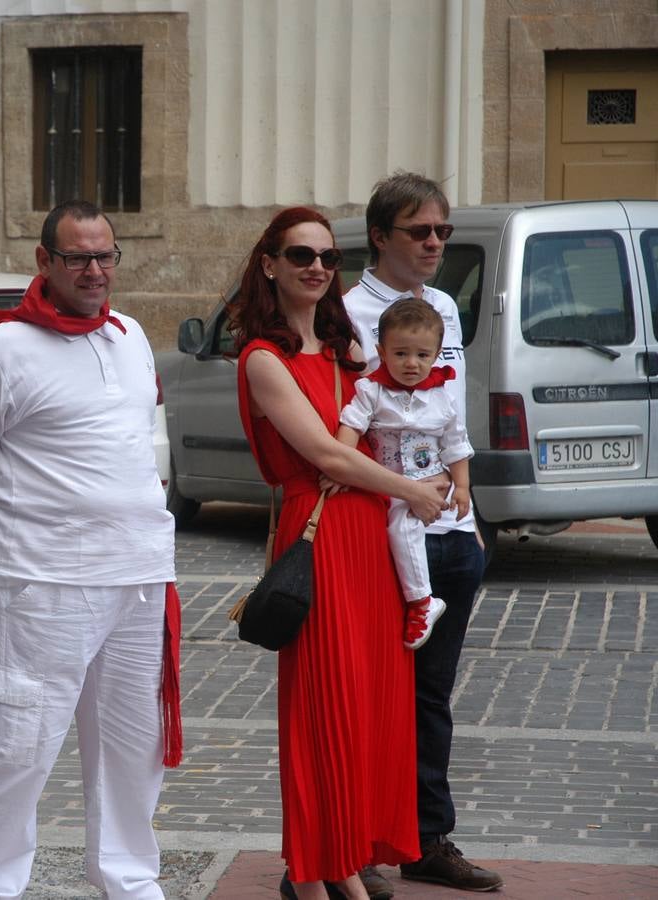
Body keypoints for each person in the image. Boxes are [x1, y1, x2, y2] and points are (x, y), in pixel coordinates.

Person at [0, 200, 177, 898]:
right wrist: (19, 533)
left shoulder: (130, 335)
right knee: (13, 751)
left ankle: (131, 883)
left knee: (134, 753)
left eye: (105, 256)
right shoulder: (5, 347)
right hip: (40, 585)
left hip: (137, 578)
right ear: (44, 262)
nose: (95, 270)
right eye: (78, 257)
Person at [230, 206, 448, 900]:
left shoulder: (347, 351)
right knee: (322, 711)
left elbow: (402, 423)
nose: (317, 267)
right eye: (299, 255)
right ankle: (314, 871)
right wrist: (410, 492)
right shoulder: (262, 359)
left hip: (371, 539)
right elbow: (324, 453)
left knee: (368, 710)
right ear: (269, 265)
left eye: (326, 256)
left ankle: (345, 861)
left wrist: (436, 473)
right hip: (318, 536)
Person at [343, 171, 504, 893]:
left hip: (453, 529)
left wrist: (466, 511)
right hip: (384, 531)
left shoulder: (441, 305)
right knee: (374, 692)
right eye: (420, 231)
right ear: (381, 237)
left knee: (431, 694)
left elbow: (451, 418)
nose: (435, 241)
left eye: (442, 229)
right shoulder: (346, 312)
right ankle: (360, 841)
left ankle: (426, 837)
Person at [336, 297, 473, 651]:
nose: (411, 364)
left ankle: (421, 602)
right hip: (380, 481)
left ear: (437, 353)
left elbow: (456, 444)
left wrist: (462, 487)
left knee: (404, 527)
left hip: (422, 487)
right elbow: (350, 425)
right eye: (400, 354)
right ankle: (416, 601)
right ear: (381, 351)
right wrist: (340, 463)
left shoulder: (443, 397)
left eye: (422, 355)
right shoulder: (372, 391)